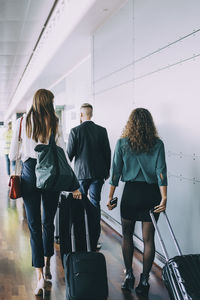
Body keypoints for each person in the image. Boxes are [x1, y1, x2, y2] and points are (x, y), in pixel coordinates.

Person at [9, 89, 81, 296]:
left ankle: (39, 276)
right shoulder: (55, 122)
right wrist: (74, 184)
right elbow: (63, 155)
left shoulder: (22, 122)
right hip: (51, 175)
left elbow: (14, 154)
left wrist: (26, 149)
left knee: (34, 226)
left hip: (30, 174)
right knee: (48, 222)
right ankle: (48, 263)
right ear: (49, 103)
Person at [107, 108, 167, 295]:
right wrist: (165, 197)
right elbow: (161, 172)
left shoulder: (122, 143)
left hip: (131, 194)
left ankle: (129, 276)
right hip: (151, 195)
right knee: (149, 239)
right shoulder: (157, 144)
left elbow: (115, 172)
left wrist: (110, 196)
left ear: (130, 123)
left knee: (127, 236)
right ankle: (145, 281)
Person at [67, 103, 111, 249]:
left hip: (80, 175)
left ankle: (80, 241)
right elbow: (107, 153)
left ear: (81, 115)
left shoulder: (75, 131)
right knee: (94, 205)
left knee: (79, 207)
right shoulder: (101, 131)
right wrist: (107, 172)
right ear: (91, 114)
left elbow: (69, 155)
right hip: (98, 175)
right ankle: (94, 241)